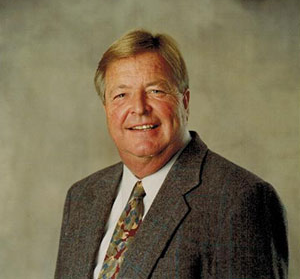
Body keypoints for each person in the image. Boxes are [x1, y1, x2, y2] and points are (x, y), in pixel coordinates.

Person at [55, 29, 288, 279]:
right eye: (121, 95)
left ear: (184, 102)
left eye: (156, 91)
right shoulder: (82, 197)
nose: (139, 108)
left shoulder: (240, 199)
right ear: (106, 109)